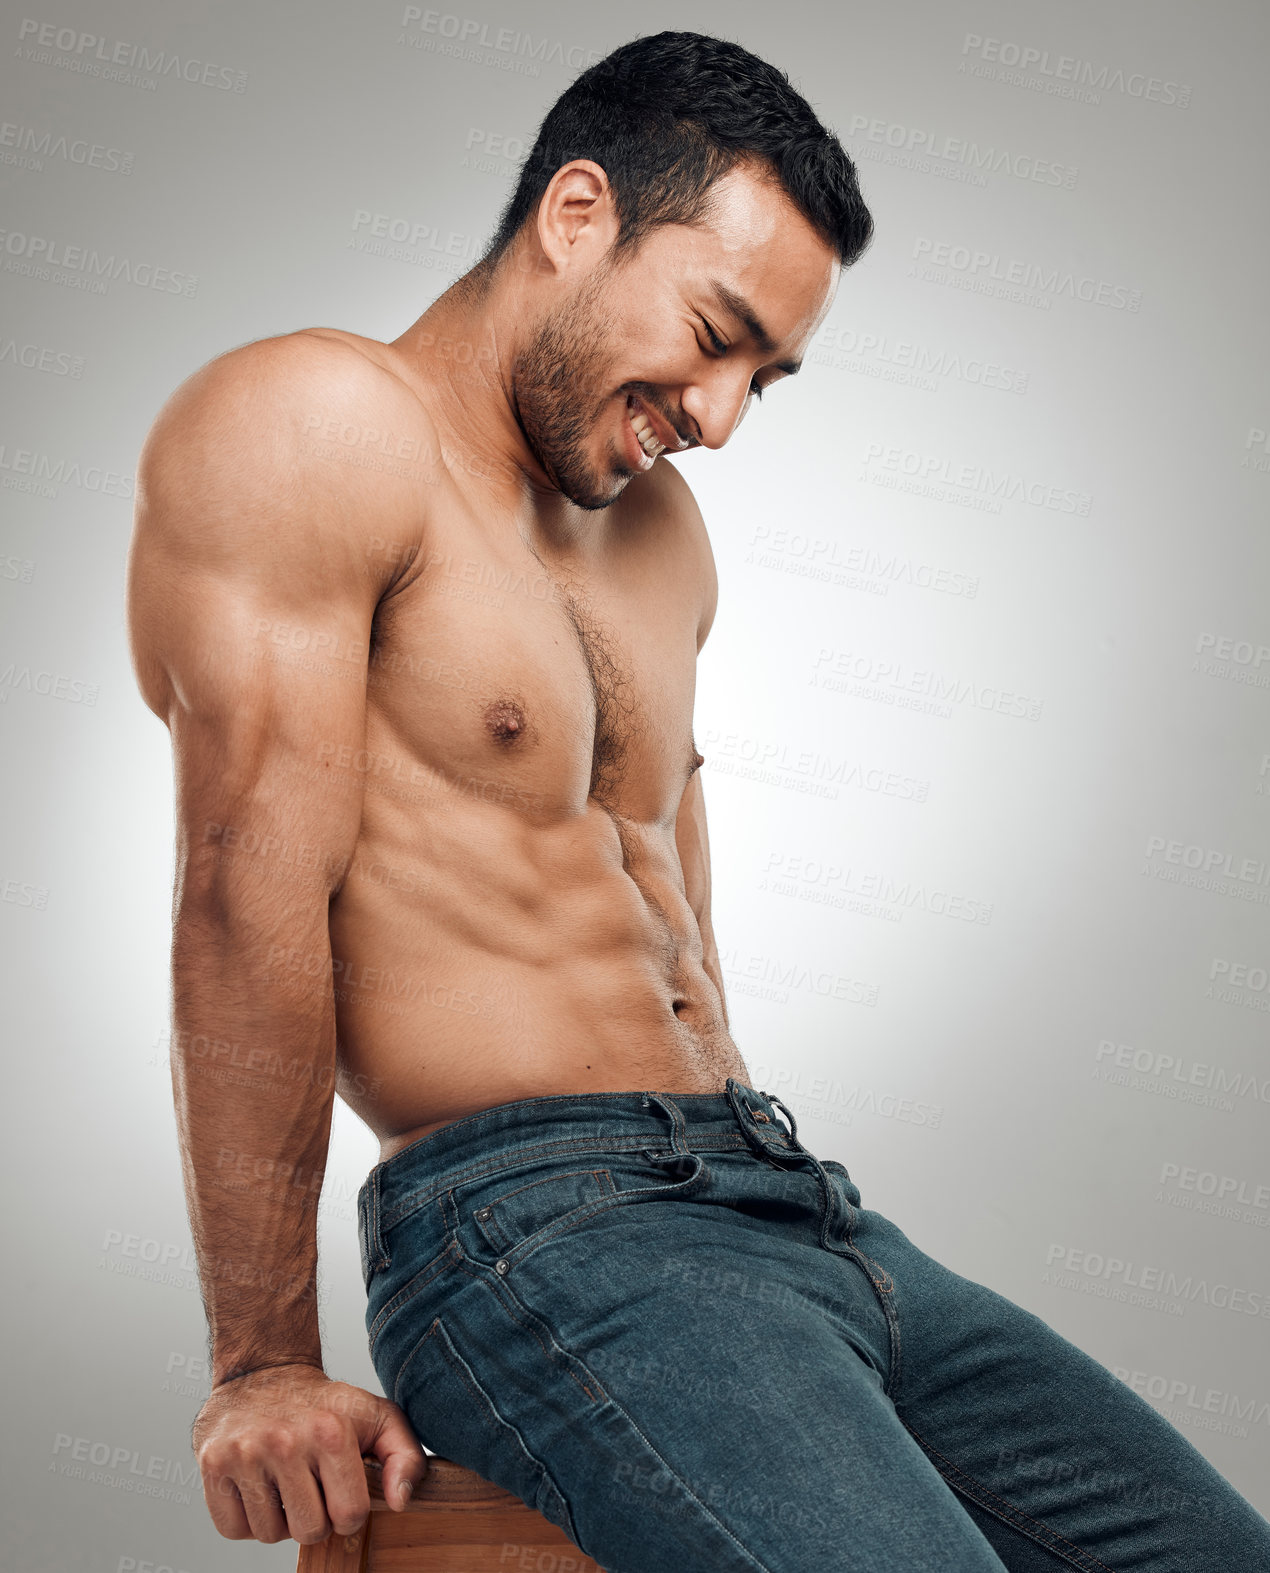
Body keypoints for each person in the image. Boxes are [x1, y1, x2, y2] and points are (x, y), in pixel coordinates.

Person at [125, 29, 1270, 1571]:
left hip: (796, 1197)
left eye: (764, 378)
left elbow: (675, 929)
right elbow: (237, 884)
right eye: (713, 333)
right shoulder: (315, 421)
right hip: (538, 1227)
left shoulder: (658, 537)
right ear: (576, 215)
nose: (720, 418)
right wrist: (257, 1361)